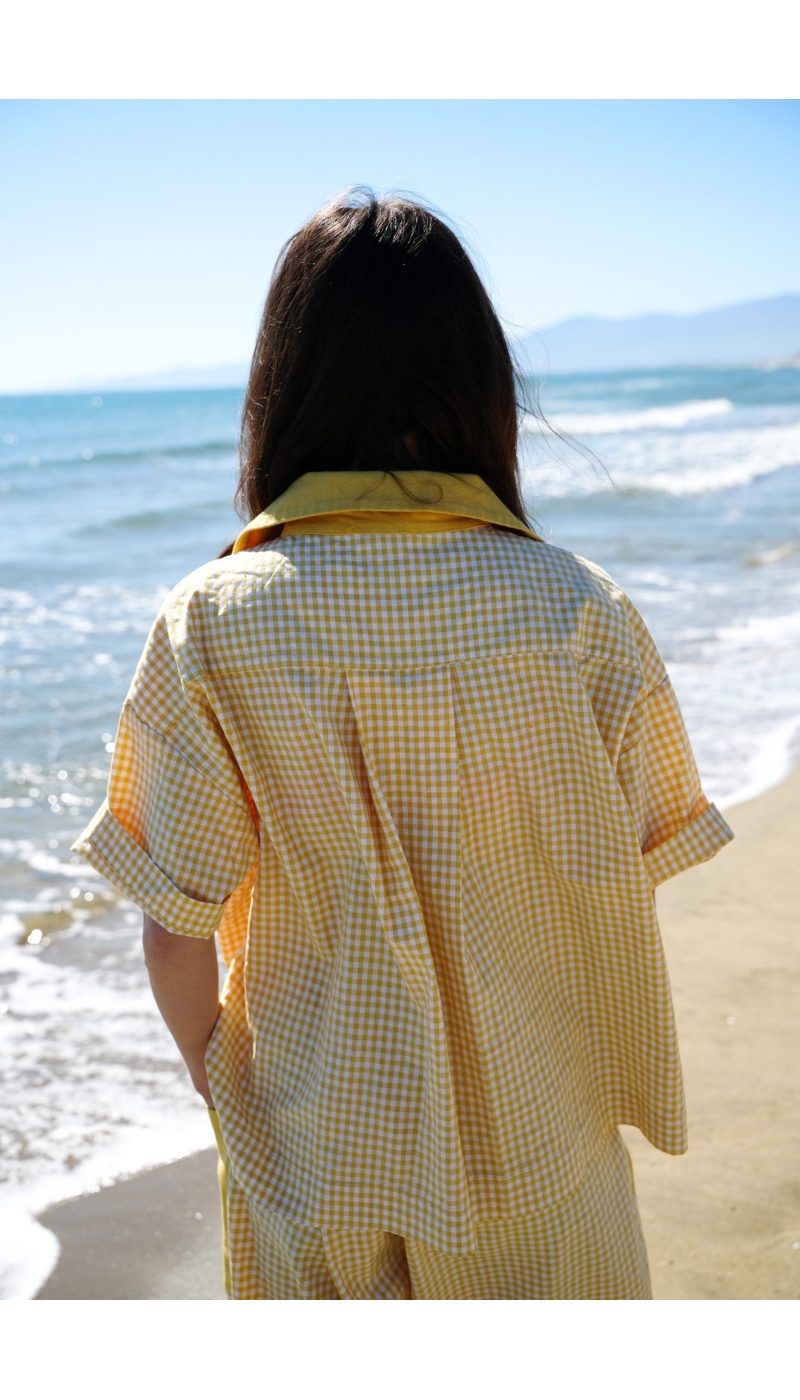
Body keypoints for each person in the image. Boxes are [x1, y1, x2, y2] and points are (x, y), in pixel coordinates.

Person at [73, 189, 733, 1300]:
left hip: (314, 1151)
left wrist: (222, 1089)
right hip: (542, 1151)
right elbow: (625, 870)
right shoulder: (577, 609)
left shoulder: (210, 623)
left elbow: (174, 934)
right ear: (482, 388)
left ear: (280, 390)